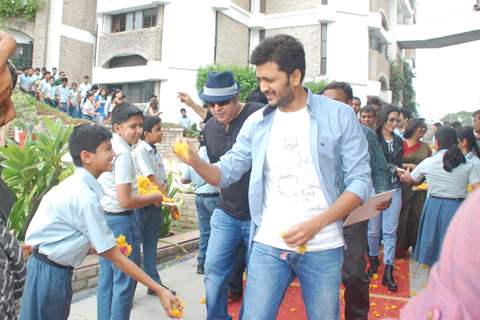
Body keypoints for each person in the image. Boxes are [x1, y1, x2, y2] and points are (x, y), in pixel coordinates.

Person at [175, 34, 372, 319]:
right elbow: (225, 173)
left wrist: (316, 224)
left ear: (295, 75)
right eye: (259, 80)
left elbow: (360, 181)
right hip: (268, 244)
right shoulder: (258, 122)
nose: (262, 87)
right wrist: (194, 161)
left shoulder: (339, 116)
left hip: (323, 246)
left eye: (269, 79)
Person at [19, 125, 180, 320]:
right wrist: (159, 289)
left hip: (51, 269)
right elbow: (116, 257)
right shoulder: (85, 196)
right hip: (49, 274)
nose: (113, 154)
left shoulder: (78, 187)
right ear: (87, 156)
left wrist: (91, 248)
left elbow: (65, 233)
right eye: (107, 149)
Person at [196, 71, 264, 319]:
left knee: (257, 276)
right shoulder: (210, 128)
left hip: (259, 214)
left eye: (222, 102)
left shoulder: (260, 115)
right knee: (213, 269)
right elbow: (219, 171)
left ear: (236, 96)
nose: (216, 108)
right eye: (210, 104)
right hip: (226, 211)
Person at [323, 81, 392, 320]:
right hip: (319, 214)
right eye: (325, 102)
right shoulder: (312, 131)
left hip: (353, 214)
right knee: (323, 274)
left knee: (353, 273)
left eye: (336, 102)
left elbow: (381, 170)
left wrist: (382, 195)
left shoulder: (366, 134)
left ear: (351, 106)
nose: (328, 108)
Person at [97, 104, 166, 320]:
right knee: (125, 282)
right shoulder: (124, 153)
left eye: (140, 126)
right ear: (117, 127)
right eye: (132, 126)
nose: (138, 131)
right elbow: (125, 200)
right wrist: (155, 197)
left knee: (107, 281)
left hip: (106, 219)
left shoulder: (107, 147)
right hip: (121, 222)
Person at [401, 126, 480, 267]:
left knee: (433, 254)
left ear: (436, 143)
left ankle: (435, 285)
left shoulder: (429, 162)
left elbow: (411, 179)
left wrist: (404, 173)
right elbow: (477, 190)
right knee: (453, 253)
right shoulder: (468, 163)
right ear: (456, 142)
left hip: (433, 208)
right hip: (457, 209)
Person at [398, 190, 480, 319]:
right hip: (453, 207)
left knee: (434, 249)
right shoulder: (473, 204)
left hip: (436, 207)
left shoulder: (474, 208)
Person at [132, 115, 173, 295]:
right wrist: (169, 200)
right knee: (133, 252)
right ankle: (126, 292)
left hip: (154, 206)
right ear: (147, 133)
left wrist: (166, 198)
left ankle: (154, 284)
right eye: (157, 129)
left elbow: (161, 180)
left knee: (150, 248)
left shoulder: (155, 151)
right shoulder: (140, 150)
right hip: (142, 207)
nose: (161, 132)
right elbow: (150, 178)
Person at [367, 104, 404, 292]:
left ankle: (388, 269)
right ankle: (373, 259)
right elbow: (371, 163)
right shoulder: (372, 138)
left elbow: (397, 164)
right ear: (383, 119)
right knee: (373, 231)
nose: (395, 123)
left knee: (390, 231)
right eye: (391, 119)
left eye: (398, 120)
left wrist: (402, 171)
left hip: (395, 188)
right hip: (374, 188)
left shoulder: (399, 141)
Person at [180, 140, 220, 275]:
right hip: (213, 196)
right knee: (217, 231)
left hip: (199, 197)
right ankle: (213, 264)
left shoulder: (193, 156)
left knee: (204, 231)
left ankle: (201, 263)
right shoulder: (214, 155)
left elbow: (184, 179)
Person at [396, 119, 431, 259]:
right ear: (413, 128)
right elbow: (393, 162)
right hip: (402, 185)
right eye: (420, 128)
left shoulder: (426, 147)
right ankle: (399, 248)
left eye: (424, 128)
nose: (423, 130)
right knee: (402, 217)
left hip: (419, 188)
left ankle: (415, 247)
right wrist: (408, 165)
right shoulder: (400, 143)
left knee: (416, 217)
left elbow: (429, 165)